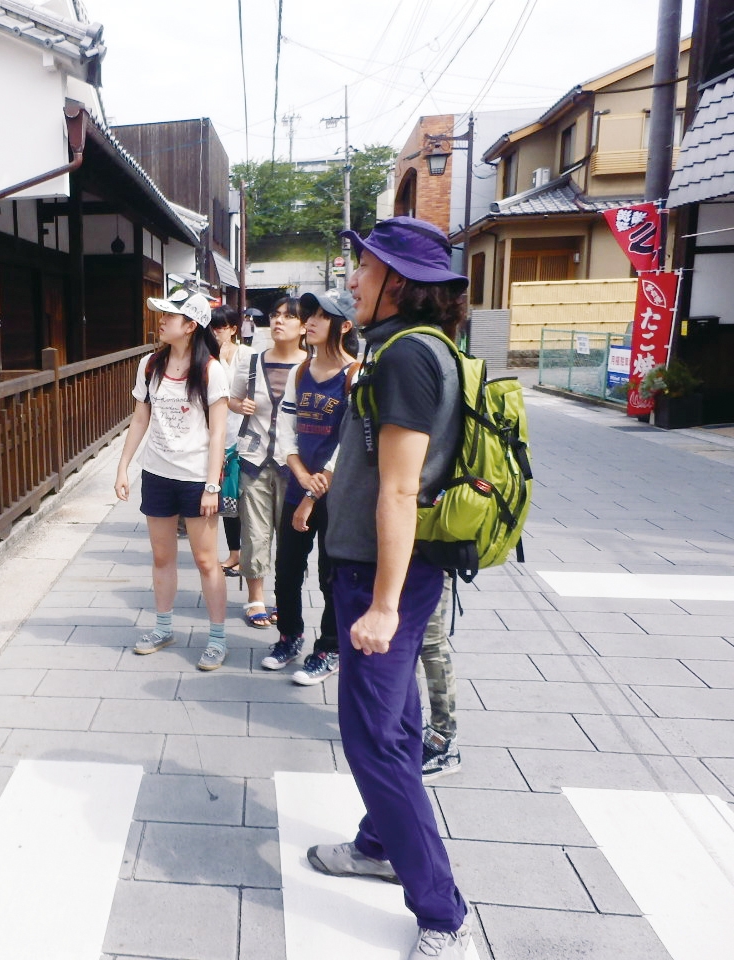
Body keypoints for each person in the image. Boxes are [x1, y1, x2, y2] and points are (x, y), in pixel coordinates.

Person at [306, 217, 473, 960]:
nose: (353, 280)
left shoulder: (407, 358)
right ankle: (379, 843)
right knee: (397, 728)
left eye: (364, 270)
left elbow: (401, 490)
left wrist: (380, 604)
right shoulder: (404, 348)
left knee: (372, 741)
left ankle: (441, 915)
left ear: (398, 283)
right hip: (377, 570)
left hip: (383, 579)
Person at [115, 287, 231, 670]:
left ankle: (217, 638)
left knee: (205, 560)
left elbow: (218, 433)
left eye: (169, 315)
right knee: (162, 556)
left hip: (197, 478)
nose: (161, 320)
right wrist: (124, 466)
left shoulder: (211, 370)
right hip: (158, 474)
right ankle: (163, 627)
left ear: (191, 325)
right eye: (161, 314)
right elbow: (141, 418)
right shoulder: (150, 365)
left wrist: (213, 484)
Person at [260, 291, 358, 680]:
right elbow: (286, 429)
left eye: (322, 316)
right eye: (309, 315)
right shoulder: (302, 371)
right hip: (300, 482)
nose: (311, 322)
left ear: (345, 325)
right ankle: (290, 635)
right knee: (286, 568)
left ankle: (329, 649)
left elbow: (349, 442)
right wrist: (300, 474)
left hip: (339, 493)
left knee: (330, 574)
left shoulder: (356, 375)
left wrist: (314, 489)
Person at [228, 296, 307, 629]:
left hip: (296, 465)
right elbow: (230, 399)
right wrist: (239, 405)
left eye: (288, 317)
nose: (278, 321)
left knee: (289, 537)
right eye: (275, 315)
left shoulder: (311, 367)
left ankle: (283, 599)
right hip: (254, 459)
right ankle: (255, 599)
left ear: (304, 327)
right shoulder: (251, 361)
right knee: (255, 533)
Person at [209, 305, 250, 578]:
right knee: (227, 498)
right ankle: (234, 552)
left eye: (221, 327)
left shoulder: (248, 355)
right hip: (218, 435)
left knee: (245, 497)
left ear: (233, 329)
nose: (216, 332)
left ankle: (247, 553)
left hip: (245, 435)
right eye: (212, 327)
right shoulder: (208, 356)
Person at [421, 578, 461, 779]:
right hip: (417, 559)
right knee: (406, 643)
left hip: (430, 559)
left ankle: (444, 743)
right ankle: (412, 725)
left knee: (431, 643)